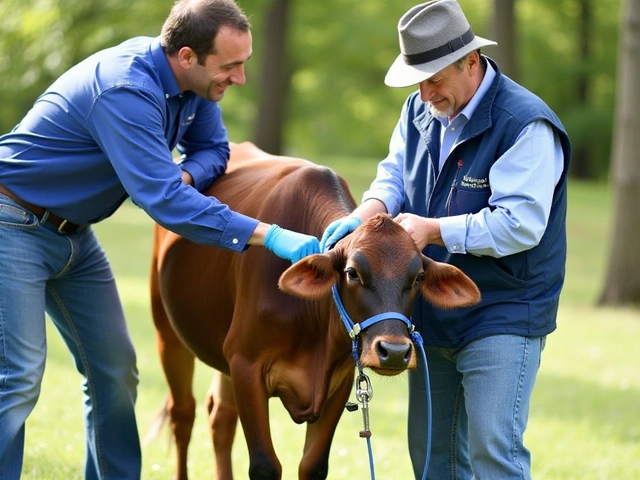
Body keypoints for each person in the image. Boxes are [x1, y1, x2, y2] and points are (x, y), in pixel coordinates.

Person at [0, 0, 319, 478]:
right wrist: (269, 235)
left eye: (245, 64)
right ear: (187, 56)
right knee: (20, 378)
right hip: (13, 224)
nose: (240, 79)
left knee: (115, 371)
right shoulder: (126, 90)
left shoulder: (194, 90)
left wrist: (185, 176)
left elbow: (213, 151)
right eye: (229, 66)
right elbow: (165, 205)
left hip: (74, 236)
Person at [321, 0, 571, 478]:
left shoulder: (525, 123)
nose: (424, 91)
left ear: (471, 62)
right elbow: (394, 175)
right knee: (433, 458)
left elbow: (520, 223)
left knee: (493, 453)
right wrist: (368, 211)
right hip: (429, 308)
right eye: (417, 78)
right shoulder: (418, 108)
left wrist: (433, 230)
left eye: (434, 78)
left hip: (503, 310)